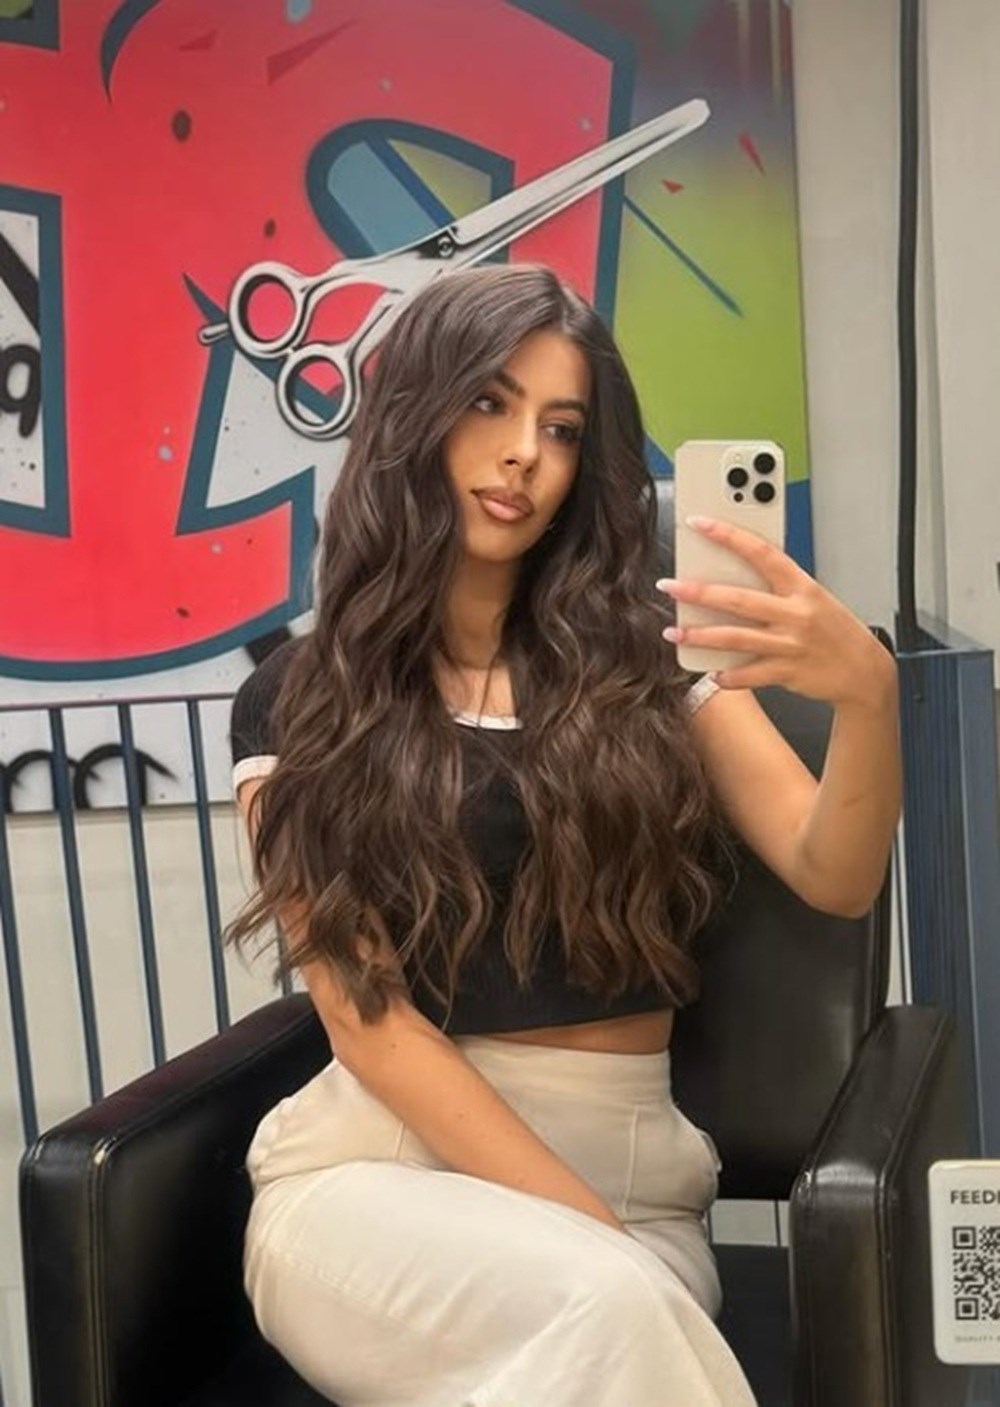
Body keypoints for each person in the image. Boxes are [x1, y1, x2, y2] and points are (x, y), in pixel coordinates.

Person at [226, 262, 901, 1406]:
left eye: (562, 428)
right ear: (416, 415)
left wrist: (869, 697)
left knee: (608, 1315)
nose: (522, 455)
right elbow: (367, 1023)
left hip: (635, 1194)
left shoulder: (649, 667)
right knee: (611, 1312)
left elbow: (833, 875)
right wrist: (599, 1250)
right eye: (489, 403)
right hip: (372, 1183)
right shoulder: (299, 702)